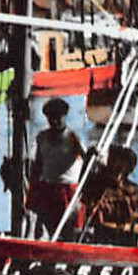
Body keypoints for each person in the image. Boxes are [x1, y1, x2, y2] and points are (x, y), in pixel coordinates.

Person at [28, 97, 85, 237]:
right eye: (51, 119)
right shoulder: (41, 137)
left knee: (69, 232)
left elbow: (88, 160)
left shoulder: (73, 138)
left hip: (68, 191)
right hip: (49, 190)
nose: (55, 122)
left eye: (58, 118)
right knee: (51, 230)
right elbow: (38, 166)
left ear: (65, 117)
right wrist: (34, 193)